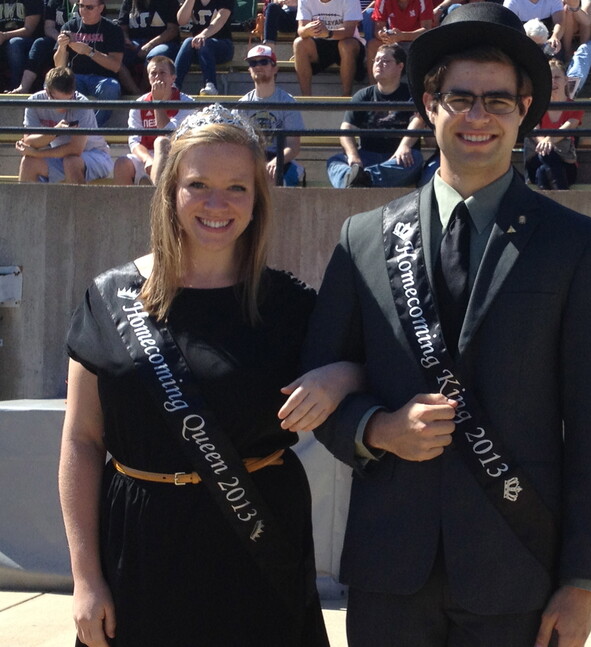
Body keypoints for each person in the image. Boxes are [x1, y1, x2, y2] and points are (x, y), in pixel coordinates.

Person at [299, 4, 591, 646]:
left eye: (498, 101)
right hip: (389, 568)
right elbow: (320, 381)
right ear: (429, 104)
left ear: (523, 110)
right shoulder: (363, 237)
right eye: (461, 98)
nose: (478, 117)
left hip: (518, 567)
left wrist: (583, 580)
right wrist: (378, 429)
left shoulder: (577, 246)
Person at [60, 103, 361, 647]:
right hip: (140, 544)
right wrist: (85, 580)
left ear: (257, 199)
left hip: (257, 542)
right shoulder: (109, 299)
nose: (216, 204)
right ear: (170, 190)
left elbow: (371, 366)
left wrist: (339, 376)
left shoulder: (291, 307)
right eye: (197, 184)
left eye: (237, 188)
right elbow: (81, 441)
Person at [327, 42, 425, 187]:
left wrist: (404, 146)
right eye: (376, 60)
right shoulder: (363, 96)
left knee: (415, 159)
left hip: (398, 158)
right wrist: (353, 157)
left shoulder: (410, 94)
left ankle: (361, 178)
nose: (379, 64)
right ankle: (354, 179)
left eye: (385, 61)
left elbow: (418, 121)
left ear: (400, 66)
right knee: (334, 161)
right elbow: (346, 130)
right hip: (367, 154)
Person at [17, 66, 112, 183]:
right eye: (58, 100)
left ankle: (77, 201)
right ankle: (26, 202)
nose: (63, 106)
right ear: (48, 92)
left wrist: (38, 153)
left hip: (96, 155)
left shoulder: (82, 104)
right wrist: (55, 132)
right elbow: (29, 142)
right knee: (28, 162)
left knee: (71, 162)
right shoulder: (34, 101)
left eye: (68, 99)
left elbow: (75, 149)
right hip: (60, 156)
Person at [113, 55, 194, 185]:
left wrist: (157, 103)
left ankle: (153, 195)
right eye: (153, 74)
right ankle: (126, 204)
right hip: (148, 155)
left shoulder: (187, 103)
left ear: (173, 78)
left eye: (162, 73)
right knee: (122, 164)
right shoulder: (139, 104)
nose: (157, 78)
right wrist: (147, 159)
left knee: (161, 142)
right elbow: (134, 141)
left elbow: (168, 134)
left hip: (175, 155)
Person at [239, 44, 306, 186]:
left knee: (275, 177)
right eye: (253, 63)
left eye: (264, 61)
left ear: (275, 68)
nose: (258, 66)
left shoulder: (287, 102)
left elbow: (293, 146)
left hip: (281, 159)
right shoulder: (242, 105)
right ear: (249, 69)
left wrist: (276, 161)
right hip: (252, 159)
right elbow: (238, 145)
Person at [53, 0, 125, 126]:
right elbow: (59, 66)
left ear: (100, 8)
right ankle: (64, 127)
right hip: (76, 78)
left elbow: (116, 66)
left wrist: (89, 51)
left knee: (112, 88)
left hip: (103, 79)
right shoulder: (69, 27)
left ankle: (91, 129)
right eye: (81, 6)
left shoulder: (113, 29)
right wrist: (62, 47)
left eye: (89, 7)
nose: (83, 10)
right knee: (54, 84)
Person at [524, 58, 583, 189]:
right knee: (545, 157)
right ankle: (562, 196)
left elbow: (566, 128)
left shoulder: (575, 107)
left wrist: (548, 141)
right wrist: (544, 143)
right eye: (549, 78)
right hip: (537, 158)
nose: (553, 81)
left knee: (543, 171)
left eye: (557, 77)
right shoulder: (535, 106)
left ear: (566, 80)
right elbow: (535, 131)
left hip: (565, 164)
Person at [293, 0, 364, 95]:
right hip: (320, 42)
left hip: (347, 42)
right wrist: (307, 30)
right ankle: (306, 99)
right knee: (299, 43)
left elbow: (349, 31)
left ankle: (346, 98)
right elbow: (301, 30)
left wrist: (328, 33)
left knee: (347, 45)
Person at [117, 0, 181, 92]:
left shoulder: (169, 2)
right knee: (117, 55)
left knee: (154, 56)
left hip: (164, 43)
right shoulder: (129, 2)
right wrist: (126, 40)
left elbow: (172, 30)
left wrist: (150, 45)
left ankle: (145, 92)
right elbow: (122, 28)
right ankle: (136, 93)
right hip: (135, 43)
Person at [8, 0, 69, 95]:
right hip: (56, 38)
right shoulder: (54, 2)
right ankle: (23, 88)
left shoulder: (87, 4)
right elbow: (49, 28)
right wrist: (61, 40)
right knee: (41, 43)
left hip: (82, 40)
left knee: (20, 44)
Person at [174, 0, 234, 96]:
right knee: (187, 42)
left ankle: (211, 85)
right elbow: (181, 21)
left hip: (222, 47)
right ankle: (174, 85)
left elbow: (220, 20)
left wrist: (203, 35)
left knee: (205, 43)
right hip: (198, 50)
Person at [366, 0, 433, 82]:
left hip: (416, 41)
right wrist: (383, 35)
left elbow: (426, 30)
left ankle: (421, 84)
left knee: (427, 44)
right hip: (393, 40)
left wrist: (403, 35)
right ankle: (373, 86)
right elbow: (378, 28)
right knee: (373, 44)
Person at [0, 0, 42, 91]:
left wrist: (4, 35)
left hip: (27, 41)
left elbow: (29, 30)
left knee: (14, 44)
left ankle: (16, 89)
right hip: (3, 39)